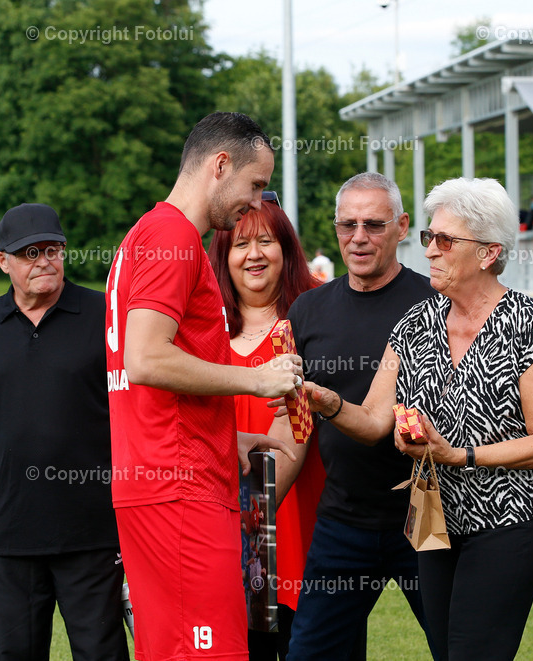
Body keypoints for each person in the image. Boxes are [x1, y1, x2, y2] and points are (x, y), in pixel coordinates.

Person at [293, 177, 533, 660]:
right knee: (448, 647)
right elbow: (376, 421)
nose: (431, 252)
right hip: (434, 518)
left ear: (487, 253)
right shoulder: (416, 323)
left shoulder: (528, 323)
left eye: (445, 240)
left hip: (511, 519)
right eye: (429, 238)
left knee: (470, 650)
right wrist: (327, 402)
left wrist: (457, 455)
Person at [105, 111, 300, 661]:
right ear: (220, 165)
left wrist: (225, 436)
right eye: (255, 184)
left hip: (159, 476)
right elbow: (145, 359)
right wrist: (255, 379)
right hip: (179, 487)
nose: (256, 202)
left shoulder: (146, 231)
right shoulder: (173, 236)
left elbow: (154, 379)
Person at [0, 203, 128, 660]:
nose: (45, 260)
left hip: (94, 531)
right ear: (3, 261)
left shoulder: (104, 315)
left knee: (102, 653)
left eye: (53, 248)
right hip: (11, 532)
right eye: (29, 252)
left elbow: (139, 409)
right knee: (14, 653)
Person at [270, 172, 438, 661]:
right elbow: (293, 428)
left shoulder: (437, 304)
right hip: (344, 519)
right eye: (348, 225)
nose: (359, 237)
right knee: (310, 654)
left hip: (425, 516)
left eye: (374, 224)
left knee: (459, 647)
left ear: (403, 226)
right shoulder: (308, 311)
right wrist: (252, 509)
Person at [208, 196, 325, 660]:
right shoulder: (203, 330)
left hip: (304, 527)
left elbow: (298, 432)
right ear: (223, 255)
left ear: (287, 249)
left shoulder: (313, 318)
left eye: (266, 241)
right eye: (240, 244)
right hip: (225, 536)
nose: (253, 254)